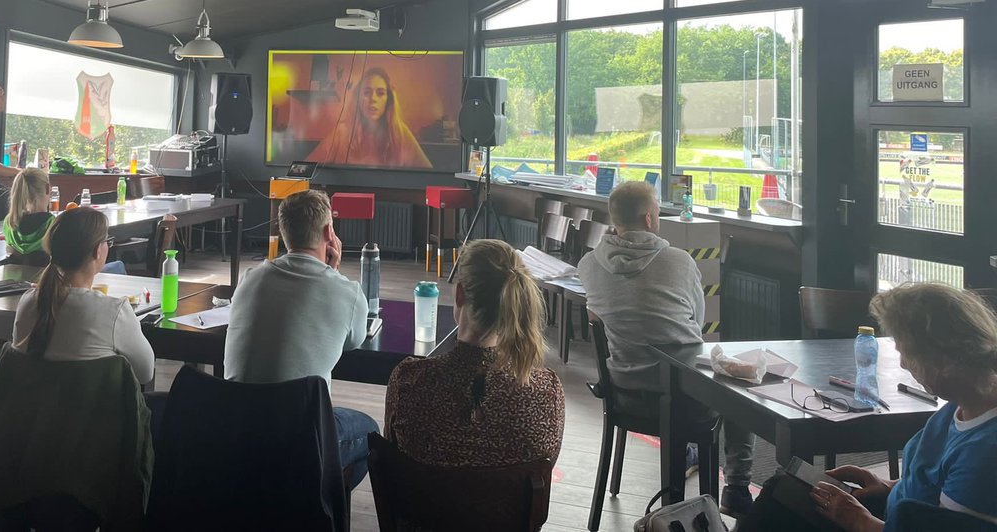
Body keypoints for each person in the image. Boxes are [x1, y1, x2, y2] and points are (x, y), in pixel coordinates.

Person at [740, 283, 997, 531]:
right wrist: (888, 487)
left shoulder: (984, 454)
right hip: (893, 517)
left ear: (943, 360)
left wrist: (859, 521)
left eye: (907, 354)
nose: (905, 365)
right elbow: (931, 486)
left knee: (780, 502)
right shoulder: (959, 408)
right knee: (785, 487)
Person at [577, 180, 756, 516]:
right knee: (740, 391)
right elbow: (698, 322)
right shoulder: (679, 261)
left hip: (625, 392)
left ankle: (688, 453)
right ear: (649, 219)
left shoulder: (588, 266)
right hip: (687, 398)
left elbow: (596, 316)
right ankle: (736, 487)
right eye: (657, 208)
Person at [224, 189, 376, 489]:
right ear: (329, 232)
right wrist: (333, 272)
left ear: (284, 232)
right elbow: (355, 340)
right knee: (370, 431)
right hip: (302, 436)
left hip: (236, 428)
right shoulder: (348, 293)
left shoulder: (250, 279)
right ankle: (317, 506)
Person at [385, 239, 565, 467]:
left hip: (425, 503)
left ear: (460, 294)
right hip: (506, 504)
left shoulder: (409, 382)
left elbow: (391, 464)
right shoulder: (546, 393)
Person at [12, 208, 154, 385]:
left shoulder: (28, 301)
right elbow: (145, 373)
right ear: (97, 251)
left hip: (33, 410)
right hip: (96, 411)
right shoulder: (114, 312)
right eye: (107, 241)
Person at [305, 67, 432, 169]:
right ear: (358, 98)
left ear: (388, 100)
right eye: (367, 92)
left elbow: (427, 175)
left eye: (380, 93)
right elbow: (306, 168)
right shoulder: (341, 132)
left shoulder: (400, 133)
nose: (373, 99)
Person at [2, 167, 54, 263]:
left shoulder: (9, 223)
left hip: (12, 277)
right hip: (44, 277)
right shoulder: (53, 225)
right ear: (48, 189)